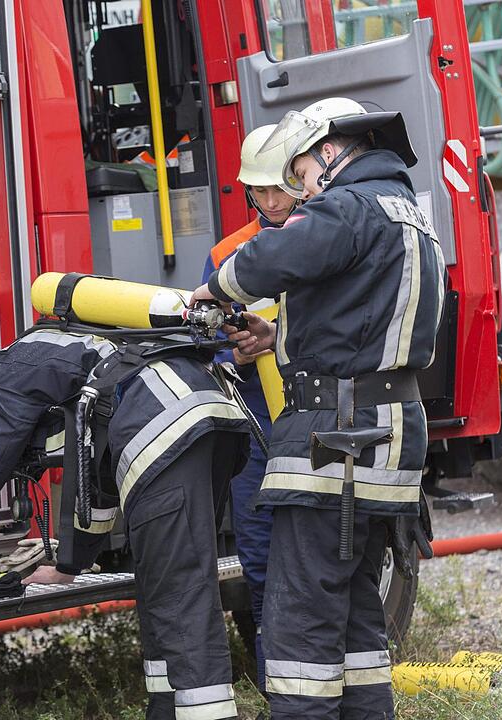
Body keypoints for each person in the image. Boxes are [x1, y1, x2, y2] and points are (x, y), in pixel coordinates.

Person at [190, 97, 446, 720]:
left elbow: (278, 254)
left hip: (336, 444)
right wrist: (279, 338)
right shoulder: (409, 211)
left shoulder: (348, 205)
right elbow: (367, 325)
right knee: (357, 614)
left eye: (300, 173)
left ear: (329, 152)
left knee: (299, 625)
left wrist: (211, 289)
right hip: (385, 440)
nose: (297, 192)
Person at [0, 326, 250, 720]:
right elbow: (95, 489)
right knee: (162, 580)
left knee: (180, 589)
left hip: (166, 429)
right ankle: (165, 710)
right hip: (211, 419)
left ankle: (208, 712)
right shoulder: (61, 367)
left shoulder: (3, 383)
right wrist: (68, 567)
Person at [200, 123, 298, 692]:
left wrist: (276, 337)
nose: (270, 202)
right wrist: (232, 348)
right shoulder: (226, 254)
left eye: (278, 189)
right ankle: (277, 685)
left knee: (324, 556)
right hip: (256, 429)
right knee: (260, 561)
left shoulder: (329, 237)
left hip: (316, 422)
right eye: (259, 192)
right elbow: (205, 332)